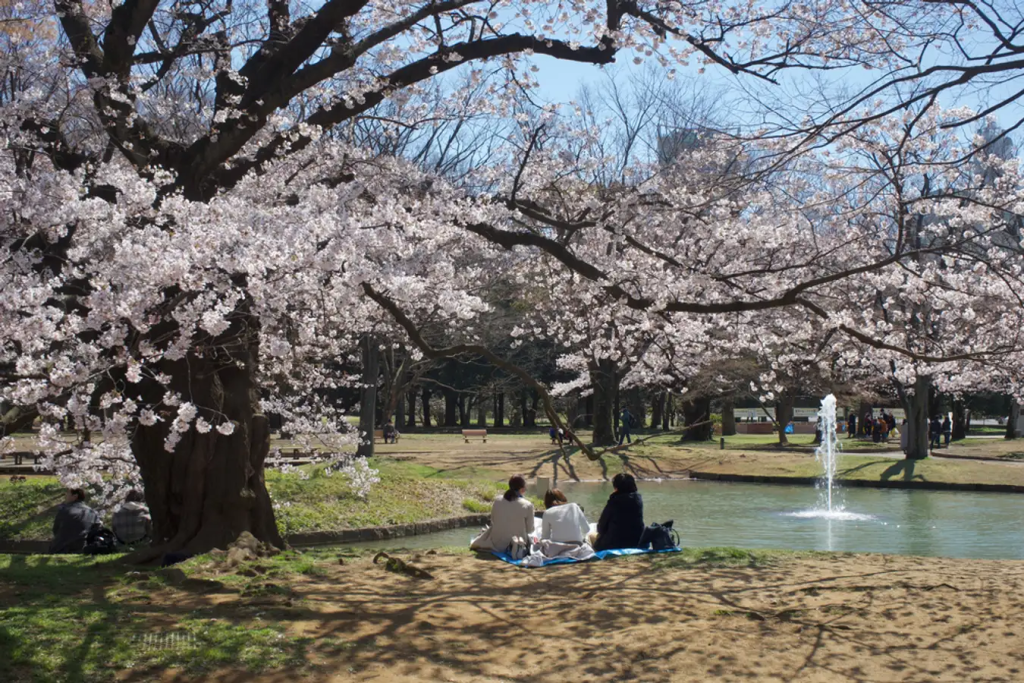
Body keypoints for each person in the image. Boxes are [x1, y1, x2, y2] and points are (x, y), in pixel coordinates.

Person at [470, 474, 534, 553]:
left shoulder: (498, 500)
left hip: (496, 543)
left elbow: (493, 520)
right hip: (516, 545)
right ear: (522, 489)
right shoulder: (528, 505)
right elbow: (530, 530)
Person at [589, 473, 645, 551]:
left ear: (616, 487)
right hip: (636, 542)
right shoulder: (638, 500)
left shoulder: (614, 501)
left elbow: (601, 527)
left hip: (614, 544)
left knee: (590, 535)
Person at [50, 488, 101, 554]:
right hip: (82, 547)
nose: (66, 495)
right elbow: (96, 530)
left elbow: (55, 530)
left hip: (61, 548)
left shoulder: (65, 510)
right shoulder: (93, 512)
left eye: (68, 493)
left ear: (75, 496)